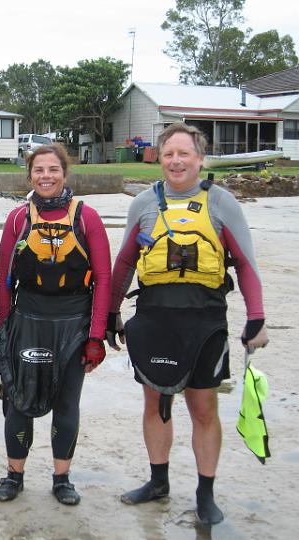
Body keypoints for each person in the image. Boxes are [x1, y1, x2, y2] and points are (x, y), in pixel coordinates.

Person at [107, 122, 269, 525]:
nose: (176, 161)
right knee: (155, 404)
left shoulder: (222, 203)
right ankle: (158, 480)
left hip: (205, 320)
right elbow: (125, 262)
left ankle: (205, 492)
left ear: (200, 159)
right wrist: (111, 314)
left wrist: (257, 318)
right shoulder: (143, 204)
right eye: (168, 154)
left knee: (203, 407)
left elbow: (245, 264)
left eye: (184, 154)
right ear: (159, 159)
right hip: (155, 316)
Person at [0, 143, 111, 503]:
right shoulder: (18, 219)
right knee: (18, 400)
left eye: (53, 170)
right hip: (26, 320)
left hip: (73, 324)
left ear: (64, 173)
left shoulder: (86, 217)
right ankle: (15, 475)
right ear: (30, 175)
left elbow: (104, 278)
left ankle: (62, 479)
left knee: (66, 402)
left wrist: (95, 337)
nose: (46, 176)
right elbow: (2, 277)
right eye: (39, 170)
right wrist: (4, 329)